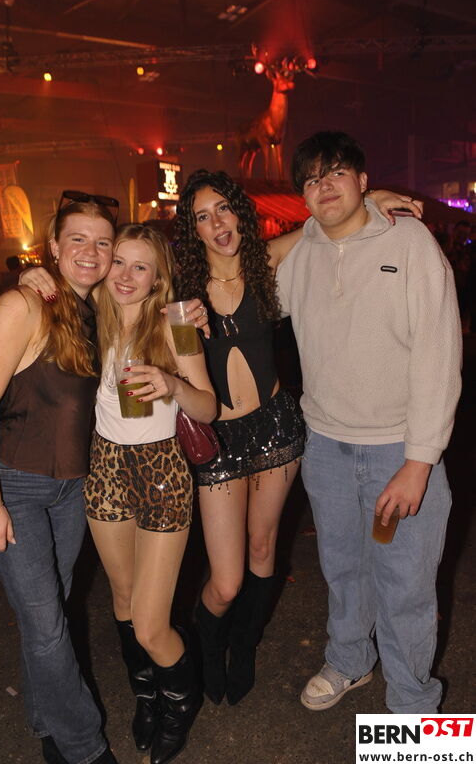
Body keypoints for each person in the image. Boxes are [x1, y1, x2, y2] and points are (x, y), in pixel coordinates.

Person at [173, 169, 422, 707]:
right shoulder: (181, 290)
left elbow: (322, 219)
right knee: (226, 582)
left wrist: (372, 195)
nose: (217, 223)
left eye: (224, 208)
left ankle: (245, 646)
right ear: (193, 230)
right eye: (202, 216)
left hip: (276, 429)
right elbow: (123, 284)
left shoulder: (266, 262)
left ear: (240, 212)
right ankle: (208, 646)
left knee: (264, 549)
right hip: (219, 440)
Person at [277, 130, 462, 713]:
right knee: (343, 569)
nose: (324, 186)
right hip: (326, 446)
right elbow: (235, 272)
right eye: (312, 179)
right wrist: (310, 227)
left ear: (362, 180)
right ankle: (350, 660)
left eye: (337, 173)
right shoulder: (301, 255)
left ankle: (412, 705)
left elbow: (438, 352)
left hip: (396, 449)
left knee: (405, 585)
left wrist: (418, 462)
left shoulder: (409, 242)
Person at [0, 192, 121, 764]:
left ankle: (43, 717)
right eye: (77, 239)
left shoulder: (95, 308)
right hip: (16, 489)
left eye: (102, 242)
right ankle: (83, 747)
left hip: (71, 490)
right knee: (48, 624)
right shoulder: (23, 306)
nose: (90, 251)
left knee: (48, 613)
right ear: (53, 245)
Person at [84, 223, 215, 764]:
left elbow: (209, 407)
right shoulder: (93, 308)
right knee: (122, 597)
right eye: (119, 262)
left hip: (161, 470)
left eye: (140, 266)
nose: (125, 275)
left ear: (159, 277)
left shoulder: (176, 323)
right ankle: (147, 696)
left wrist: (174, 385)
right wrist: (34, 277)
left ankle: (180, 705)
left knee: (151, 621)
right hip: (106, 465)